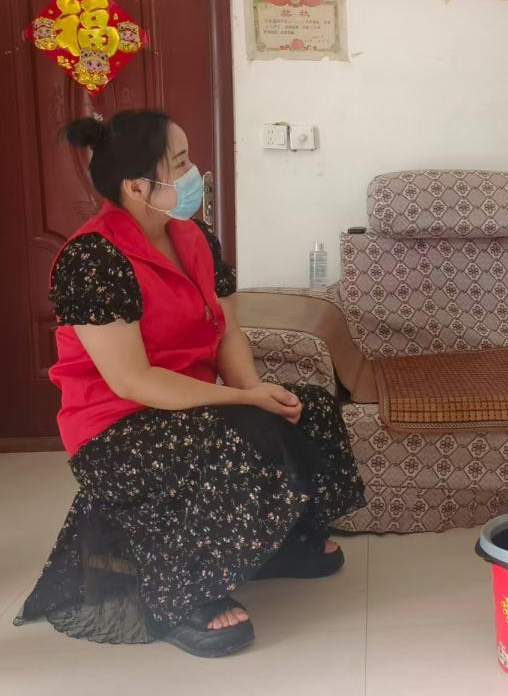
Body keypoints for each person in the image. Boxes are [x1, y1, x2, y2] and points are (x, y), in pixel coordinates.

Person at [15, 111, 366, 657]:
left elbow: (227, 330)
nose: (193, 174)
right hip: (117, 428)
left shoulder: (195, 235)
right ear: (137, 187)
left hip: (190, 404)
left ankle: (279, 546)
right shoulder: (93, 258)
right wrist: (242, 400)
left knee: (309, 407)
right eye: (178, 164)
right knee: (231, 437)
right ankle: (182, 596)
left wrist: (258, 394)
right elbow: (133, 381)